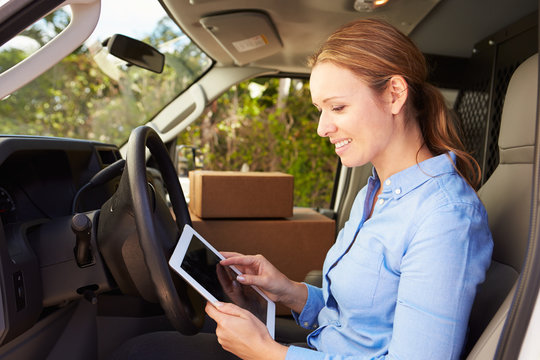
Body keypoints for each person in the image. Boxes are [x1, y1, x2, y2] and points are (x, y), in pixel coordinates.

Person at [111, 18, 493, 360]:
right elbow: (352, 320)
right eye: (319, 110)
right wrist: (286, 290)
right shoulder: (374, 190)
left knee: (139, 351)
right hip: (320, 348)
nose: (322, 128)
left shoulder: (445, 218)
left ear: (394, 94)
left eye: (337, 108)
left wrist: (268, 353)